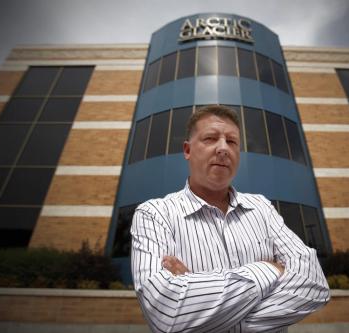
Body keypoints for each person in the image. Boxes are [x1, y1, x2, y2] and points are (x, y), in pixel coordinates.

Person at [131, 105, 330, 332]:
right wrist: (270, 269)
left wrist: (201, 304)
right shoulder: (154, 214)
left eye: (232, 141)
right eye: (210, 138)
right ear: (187, 150)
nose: (223, 148)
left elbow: (315, 284)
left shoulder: (262, 208)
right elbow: (166, 314)